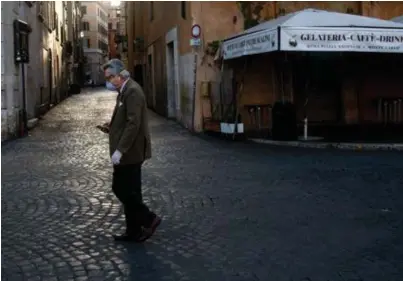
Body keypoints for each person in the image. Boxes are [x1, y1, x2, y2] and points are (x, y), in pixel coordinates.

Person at [100, 59, 161, 242]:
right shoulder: (124, 90)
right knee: (131, 192)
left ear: (120, 74)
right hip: (128, 151)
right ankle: (133, 230)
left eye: (111, 77)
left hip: (131, 152)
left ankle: (150, 219)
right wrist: (110, 127)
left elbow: (133, 124)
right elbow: (124, 119)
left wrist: (120, 150)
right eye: (107, 78)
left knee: (121, 188)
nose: (109, 81)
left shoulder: (132, 91)